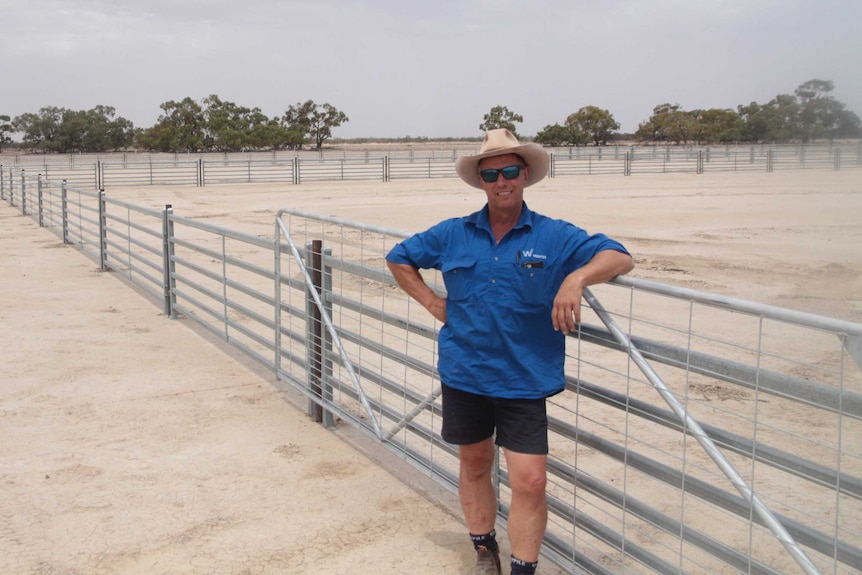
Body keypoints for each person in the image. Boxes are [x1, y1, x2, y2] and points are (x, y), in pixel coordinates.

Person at [385, 129, 633, 575]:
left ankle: (523, 568)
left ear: (526, 175)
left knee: (531, 480)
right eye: (491, 174)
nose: (502, 181)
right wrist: (433, 302)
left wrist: (575, 280)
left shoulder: (554, 235)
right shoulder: (453, 234)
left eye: (511, 171)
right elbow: (400, 257)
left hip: (524, 377)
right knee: (475, 463)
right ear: (481, 182)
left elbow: (618, 256)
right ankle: (485, 550)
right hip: (466, 370)